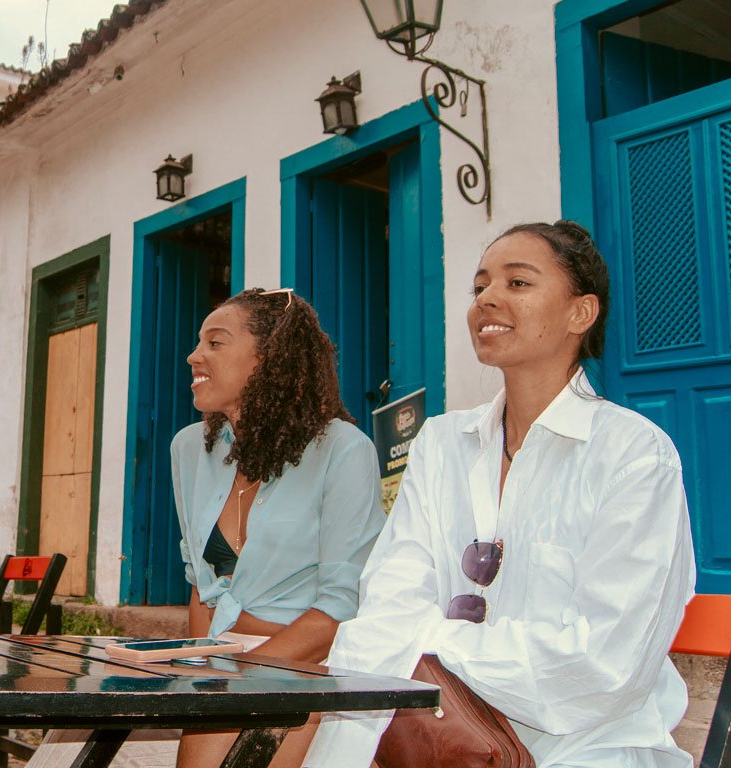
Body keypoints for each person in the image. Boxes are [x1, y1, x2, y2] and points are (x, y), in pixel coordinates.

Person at [304, 220, 696, 768]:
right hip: (436, 735)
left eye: (517, 283)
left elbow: (604, 667)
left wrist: (429, 639)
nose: (486, 299)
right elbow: (389, 597)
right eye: (480, 285)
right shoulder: (441, 444)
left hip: (585, 746)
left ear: (580, 313)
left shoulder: (632, 454)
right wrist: (432, 644)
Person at [173, 288, 385, 768]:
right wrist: (200, 672)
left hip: (305, 663)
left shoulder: (343, 450)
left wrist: (236, 672)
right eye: (197, 342)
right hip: (222, 664)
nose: (193, 356)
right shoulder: (189, 449)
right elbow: (199, 587)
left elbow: (341, 605)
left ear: (268, 359)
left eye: (215, 342)